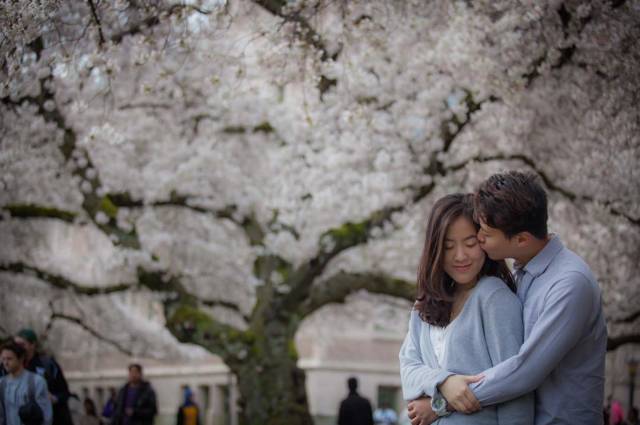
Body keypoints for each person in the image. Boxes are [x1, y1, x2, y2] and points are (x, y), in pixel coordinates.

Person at [409, 171, 607, 425]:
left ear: (522, 239)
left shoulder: (569, 284)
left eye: (486, 234)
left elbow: (525, 371)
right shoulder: (522, 272)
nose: (479, 239)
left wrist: (442, 402)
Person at [399, 193, 533, 424]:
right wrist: (444, 382)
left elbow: (515, 387)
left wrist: (437, 404)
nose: (460, 256)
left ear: (484, 241)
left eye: (471, 243)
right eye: (449, 246)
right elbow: (408, 370)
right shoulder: (427, 303)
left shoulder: (494, 298)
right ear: (435, 250)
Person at [14, 329, 74, 425]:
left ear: (32, 345)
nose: (17, 348)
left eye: (22, 345)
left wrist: (54, 398)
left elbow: (64, 393)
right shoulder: (11, 366)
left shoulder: (47, 365)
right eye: (15, 345)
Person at [0, 341, 53, 425]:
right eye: (3, 359)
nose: (5, 363)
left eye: (9, 359)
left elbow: (46, 415)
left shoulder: (36, 382)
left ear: (21, 359)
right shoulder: (2, 383)